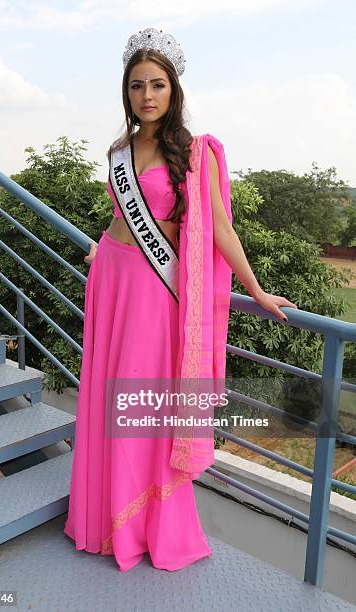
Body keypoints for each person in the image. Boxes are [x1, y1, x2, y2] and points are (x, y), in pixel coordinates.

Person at [63, 27, 297, 573]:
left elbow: (218, 229)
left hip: (153, 289)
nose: (147, 95)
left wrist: (256, 289)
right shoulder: (120, 150)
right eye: (138, 85)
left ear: (174, 91)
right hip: (112, 282)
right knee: (107, 396)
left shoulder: (197, 152)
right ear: (127, 92)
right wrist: (103, 250)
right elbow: (124, 216)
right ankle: (103, 520)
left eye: (158, 85)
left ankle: (145, 524)